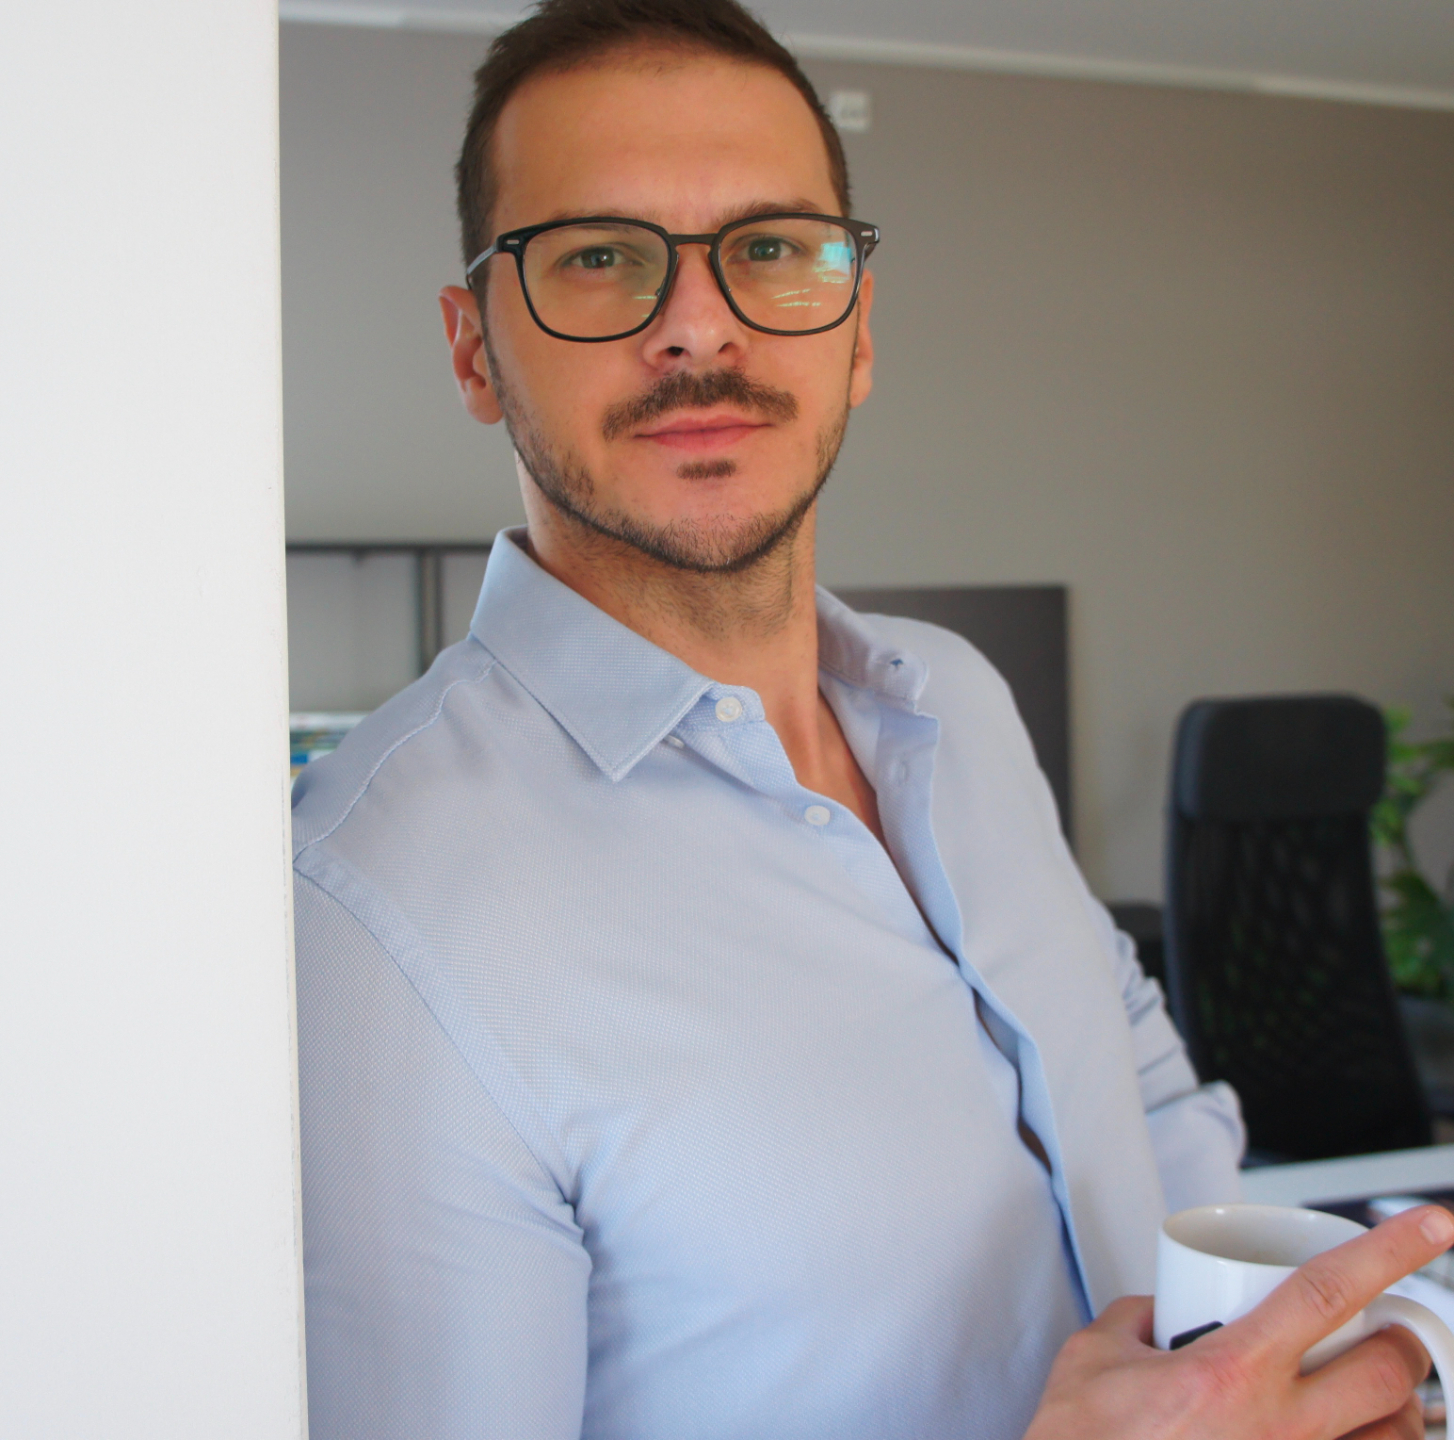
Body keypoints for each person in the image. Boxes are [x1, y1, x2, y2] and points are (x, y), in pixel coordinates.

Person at [291, 2, 1448, 1436]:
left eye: (772, 249)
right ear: (474, 351)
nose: (698, 324)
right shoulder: (377, 912)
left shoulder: (956, 700)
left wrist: (1275, 1363)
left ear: (855, 331)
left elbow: (1141, 1088)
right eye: (598, 256)